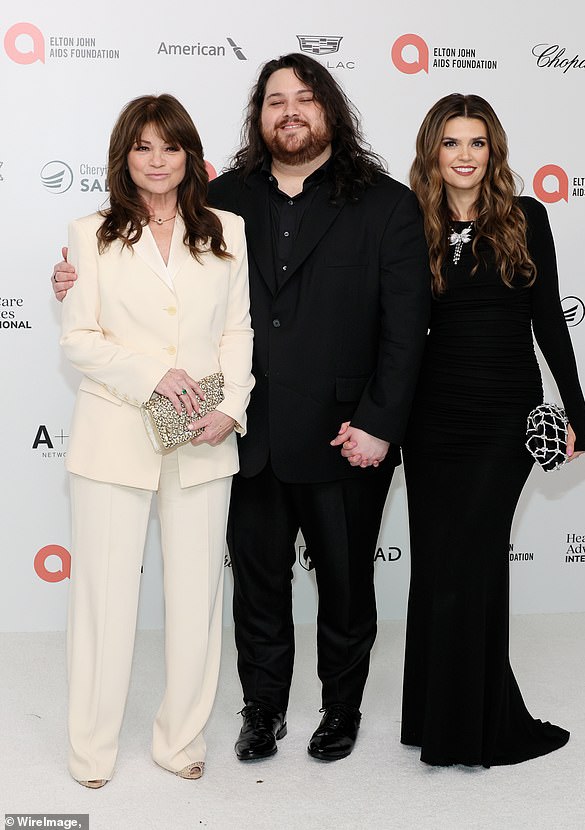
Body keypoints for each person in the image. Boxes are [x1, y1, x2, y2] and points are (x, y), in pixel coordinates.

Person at [53, 54, 430, 763]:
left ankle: (339, 711)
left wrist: (380, 422)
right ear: (257, 116)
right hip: (244, 439)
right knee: (255, 590)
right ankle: (262, 712)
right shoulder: (226, 201)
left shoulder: (385, 202)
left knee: (347, 587)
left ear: (330, 110)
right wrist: (72, 278)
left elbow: (406, 327)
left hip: (341, 434)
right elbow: (140, 270)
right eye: (274, 100)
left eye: (305, 98)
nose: (289, 111)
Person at [58, 94, 254, 787]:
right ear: (125, 157)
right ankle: (92, 752)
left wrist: (232, 406)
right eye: (143, 147)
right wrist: (151, 375)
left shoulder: (227, 230)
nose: (157, 160)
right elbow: (78, 338)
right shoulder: (91, 234)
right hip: (115, 435)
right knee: (103, 600)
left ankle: (180, 742)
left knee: (196, 601)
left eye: (169, 147)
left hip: (204, 437)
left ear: (189, 156)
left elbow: (237, 331)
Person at [400, 93, 585, 767]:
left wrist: (578, 411)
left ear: (493, 151)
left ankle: (478, 726)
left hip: (504, 415)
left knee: (472, 566)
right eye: (451, 142)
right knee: (437, 565)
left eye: (477, 142)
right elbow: (387, 325)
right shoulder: (409, 220)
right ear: (434, 151)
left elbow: (549, 320)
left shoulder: (525, 216)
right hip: (430, 420)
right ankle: (433, 719)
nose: (464, 155)